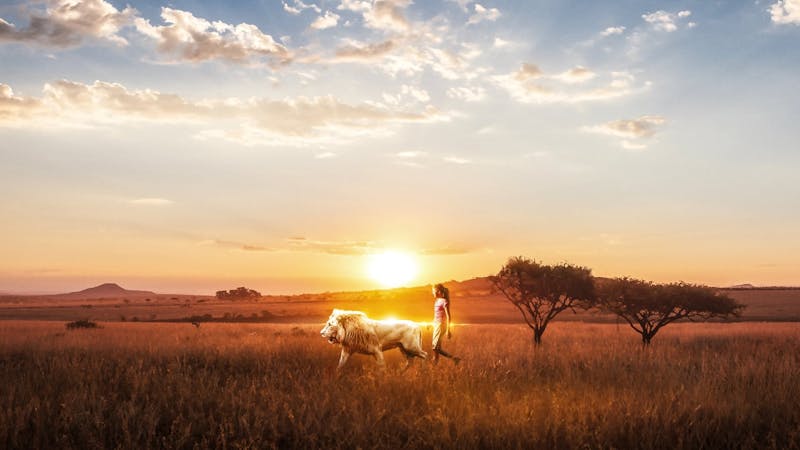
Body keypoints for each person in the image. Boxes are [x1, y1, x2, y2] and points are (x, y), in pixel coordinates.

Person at [431, 283, 461, 365]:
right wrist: (431, 324)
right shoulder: (437, 301)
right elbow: (437, 315)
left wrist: (448, 330)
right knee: (436, 348)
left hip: (441, 325)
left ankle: (436, 362)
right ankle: (454, 359)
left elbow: (448, 316)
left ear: (439, 291)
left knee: (435, 348)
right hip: (436, 325)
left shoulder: (445, 301)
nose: (432, 293)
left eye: (433, 291)